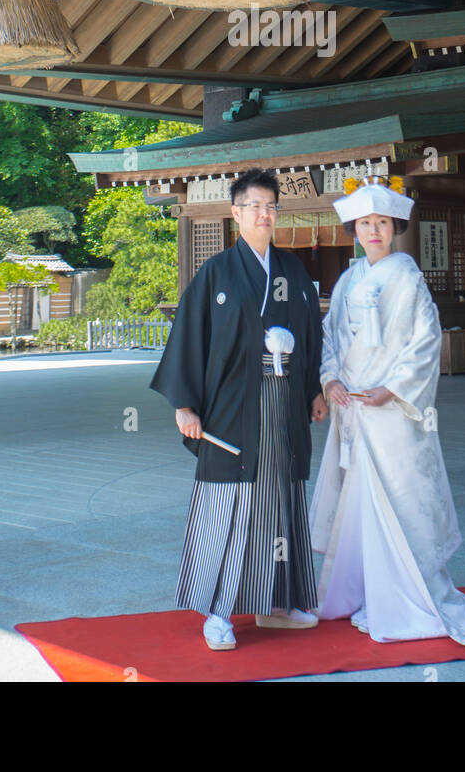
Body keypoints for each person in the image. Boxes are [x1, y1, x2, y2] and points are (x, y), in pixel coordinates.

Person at [309, 175, 465, 650]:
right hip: (352, 407)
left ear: (395, 227)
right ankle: (360, 589)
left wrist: (393, 389)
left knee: (399, 499)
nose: (373, 230)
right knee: (357, 499)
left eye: (381, 222)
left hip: (392, 413)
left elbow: (424, 342)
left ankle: (405, 595)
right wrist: (330, 378)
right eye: (364, 223)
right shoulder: (349, 279)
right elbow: (329, 335)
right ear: (353, 228)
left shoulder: (407, 275)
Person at [151, 168, 327, 651]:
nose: (264, 214)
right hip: (230, 410)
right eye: (254, 206)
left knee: (282, 502)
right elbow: (189, 338)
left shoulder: (293, 271)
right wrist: (184, 404)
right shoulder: (217, 273)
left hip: (284, 406)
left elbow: (311, 335)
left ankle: (279, 599)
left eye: (271, 206)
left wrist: (313, 388)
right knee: (228, 507)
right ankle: (218, 612)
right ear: (236, 212)